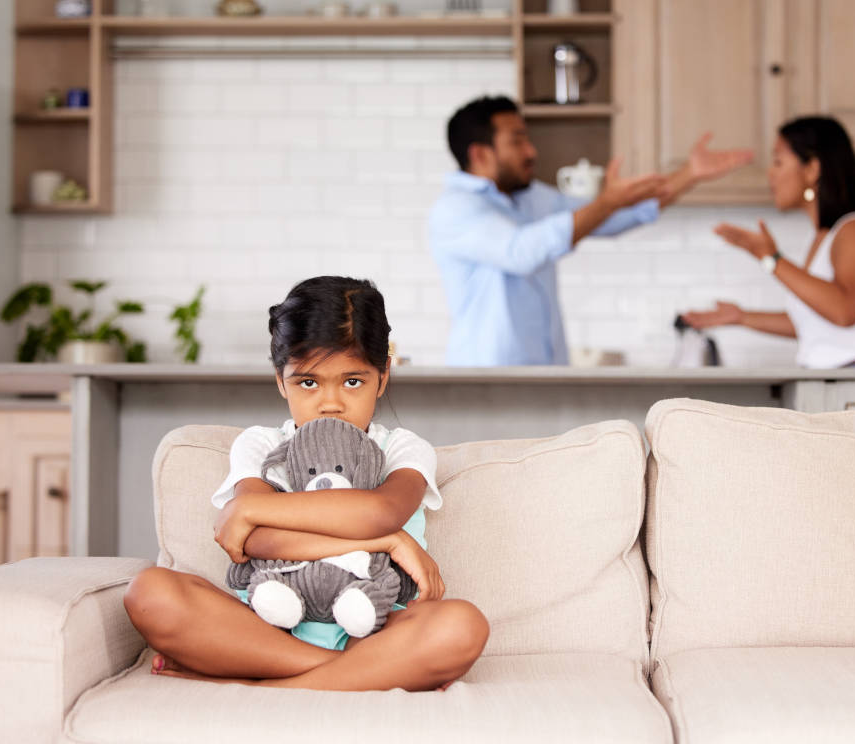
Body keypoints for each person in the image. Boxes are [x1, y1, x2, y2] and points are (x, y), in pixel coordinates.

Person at [124, 276, 488, 691]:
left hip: (373, 629)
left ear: (383, 377)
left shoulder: (403, 448)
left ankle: (266, 686)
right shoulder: (263, 445)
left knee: (462, 625)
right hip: (266, 627)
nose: (330, 403)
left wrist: (249, 509)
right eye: (308, 382)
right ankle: (351, 673)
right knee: (149, 592)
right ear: (281, 379)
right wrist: (390, 543)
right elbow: (254, 541)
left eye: (353, 381)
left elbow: (381, 511)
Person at [430, 95, 753, 366]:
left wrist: (688, 175)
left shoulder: (534, 198)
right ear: (480, 153)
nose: (531, 151)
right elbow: (522, 252)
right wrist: (605, 203)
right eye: (517, 140)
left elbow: (611, 216)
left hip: (547, 376)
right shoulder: (456, 209)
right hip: (484, 380)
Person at [682, 116, 855, 369]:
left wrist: (771, 259)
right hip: (844, 380)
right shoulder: (824, 237)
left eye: (778, 161)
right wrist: (742, 317)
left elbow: (844, 311)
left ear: (812, 169)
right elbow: (816, 323)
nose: (770, 173)